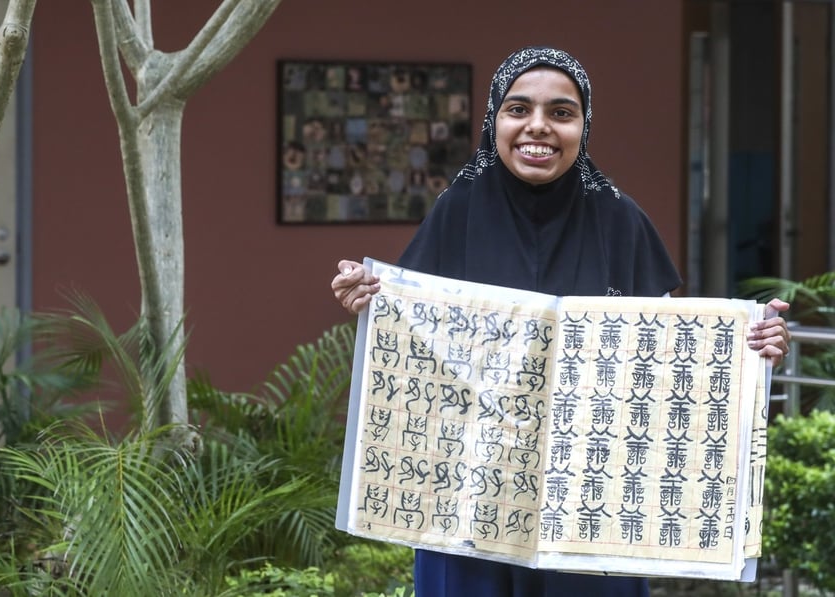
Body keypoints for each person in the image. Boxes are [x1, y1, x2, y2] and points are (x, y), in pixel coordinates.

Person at [329, 46, 790, 597]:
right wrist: (368, 298)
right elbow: (411, 339)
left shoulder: (619, 220)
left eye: (561, 113)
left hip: (591, 509)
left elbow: (674, 362)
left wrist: (752, 345)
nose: (538, 127)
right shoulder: (458, 211)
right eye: (518, 109)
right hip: (465, 504)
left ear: (583, 126)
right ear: (494, 120)